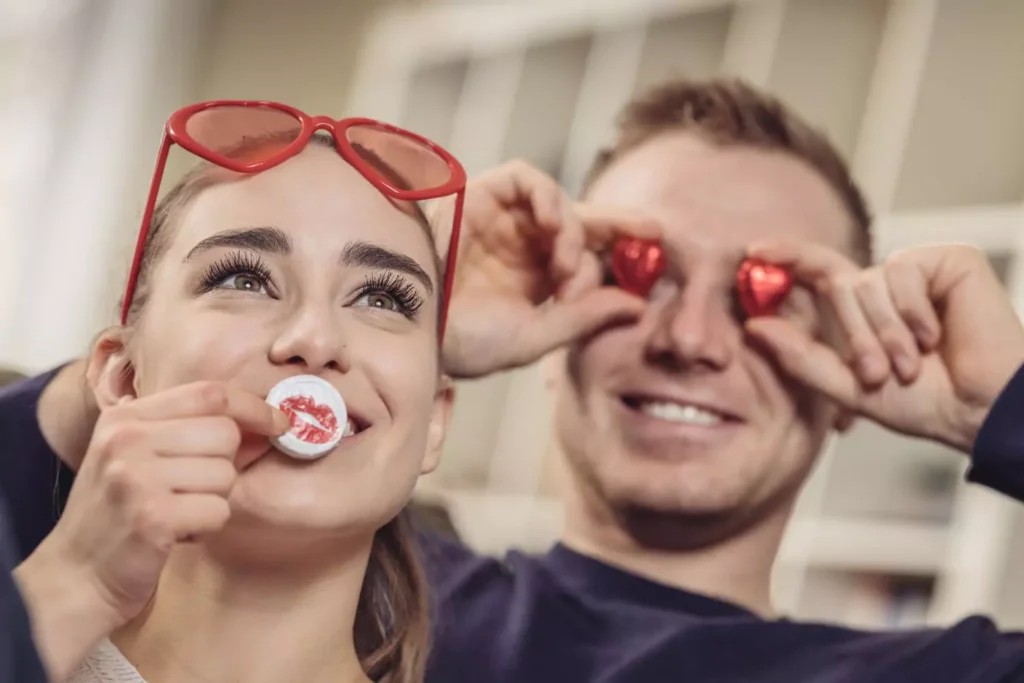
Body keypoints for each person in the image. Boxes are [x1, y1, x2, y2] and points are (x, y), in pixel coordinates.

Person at [4, 77, 1024, 683]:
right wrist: (404, 305)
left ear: (854, 369)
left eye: (765, 294)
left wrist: (1004, 407)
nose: (689, 337)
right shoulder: (357, 571)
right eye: (637, 270)